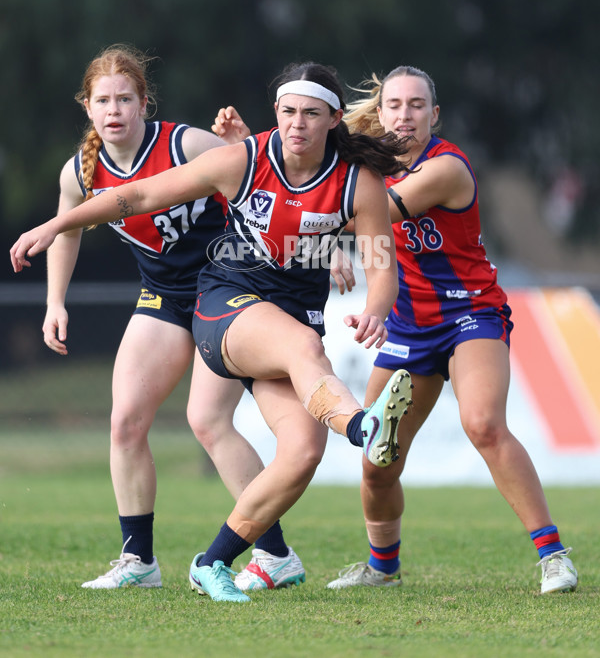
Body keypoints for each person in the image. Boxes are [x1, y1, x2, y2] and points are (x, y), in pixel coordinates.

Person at [11, 60, 414, 603]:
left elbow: (380, 264)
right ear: (277, 113)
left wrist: (375, 307)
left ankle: (226, 559)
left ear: (334, 119)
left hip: (292, 312)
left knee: (300, 452)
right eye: (289, 111)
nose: (297, 123)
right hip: (225, 299)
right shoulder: (244, 158)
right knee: (298, 349)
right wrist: (57, 224)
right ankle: (365, 429)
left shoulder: (358, 183)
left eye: (311, 114)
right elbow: (141, 195)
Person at [34, 44, 307, 591]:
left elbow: (262, 182)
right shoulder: (80, 173)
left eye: (125, 99)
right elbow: (66, 230)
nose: (114, 110)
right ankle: (139, 562)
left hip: (227, 292)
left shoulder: (184, 144)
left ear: (144, 103)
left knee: (208, 423)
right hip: (162, 296)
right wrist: (54, 302)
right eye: (103, 100)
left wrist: (322, 248)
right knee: (125, 422)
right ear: (86, 107)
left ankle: (275, 553)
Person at [324, 65, 578, 595]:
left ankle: (553, 556)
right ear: (382, 110)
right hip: (408, 325)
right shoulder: (368, 166)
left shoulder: (447, 167)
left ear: (433, 115)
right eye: (394, 105)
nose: (405, 115)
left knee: (483, 424)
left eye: (417, 105)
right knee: (377, 459)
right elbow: (314, 188)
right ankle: (382, 568)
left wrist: (311, 225)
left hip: (470, 315)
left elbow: (364, 215)